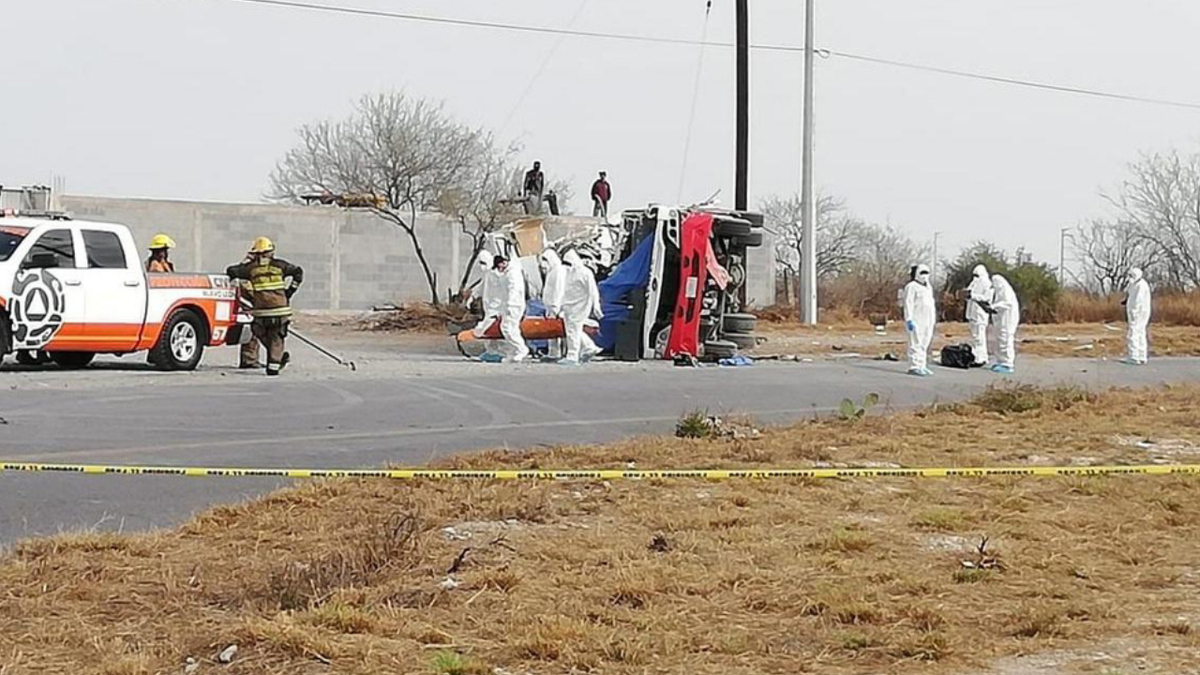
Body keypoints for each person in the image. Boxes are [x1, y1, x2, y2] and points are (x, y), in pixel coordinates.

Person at [225, 237, 304, 376]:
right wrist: (289, 292)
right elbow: (298, 272)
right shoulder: (280, 266)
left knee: (259, 332)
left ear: (256, 253)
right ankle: (274, 364)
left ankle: (276, 358)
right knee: (276, 338)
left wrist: (246, 260)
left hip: (262, 312)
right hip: (280, 310)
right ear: (271, 252)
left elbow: (231, 271)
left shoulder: (251, 268)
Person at [560, 249, 603, 365]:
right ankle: (589, 347)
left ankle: (572, 355)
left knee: (573, 329)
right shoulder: (567, 272)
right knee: (573, 329)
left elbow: (593, 291)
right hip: (568, 305)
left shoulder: (585, 273)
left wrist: (596, 306)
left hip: (580, 305)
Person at [493, 254, 529, 363]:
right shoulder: (507, 273)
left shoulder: (513, 273)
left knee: (508, 328)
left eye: (499, 266)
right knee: (509, 328)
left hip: (514, 305)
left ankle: (521, 349)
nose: (499, 269)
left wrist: (510, 304)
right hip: (508, 305)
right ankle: (513, 352)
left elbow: (514, 290)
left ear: (504, 263)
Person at [902, 264, 936, 376]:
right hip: (916, 319)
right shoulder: (911, 286)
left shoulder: (928, 287)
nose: (924, 275)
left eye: (927, 273)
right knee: (915, 342)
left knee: (924, 342)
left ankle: (922, 365)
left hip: (928, 319)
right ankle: (914, 366)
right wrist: (909, 319)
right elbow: (908, 303)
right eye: (922, 273)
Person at [473, 250, 504, 361]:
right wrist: (473, 296)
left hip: (497, 308)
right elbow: (481, 287)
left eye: (484, 263)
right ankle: (491, 352)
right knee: (489, 329)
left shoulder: (498, 274)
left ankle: (500, 352)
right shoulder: (488, 275)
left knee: (496, 329)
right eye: (480, 263)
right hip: (489, 307)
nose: (482, 266)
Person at [539, 248, 568, 359]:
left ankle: (560, 353)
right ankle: (554, 353)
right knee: (553, 332)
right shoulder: (552, 271)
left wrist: (555, 306)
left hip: (556, 306)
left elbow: (558, 290)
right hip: (550, 306)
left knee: (558, 330)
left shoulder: (558, 271)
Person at [989, 273, 1020, 374]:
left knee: (1006, 339)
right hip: (1002, 319)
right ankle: (1001, 361)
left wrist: (994, 306)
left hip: (1008, 319)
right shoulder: (1000, 292)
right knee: (1000, 339)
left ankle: (1008, 364)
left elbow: (1007, 303)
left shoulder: (1006, 291)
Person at [964, 264, 993, 367]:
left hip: (980, 314)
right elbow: (968, 293)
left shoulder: (987, 284)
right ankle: (980, 356)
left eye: (977, 275)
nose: (975, 277)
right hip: (972, 313)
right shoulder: (974, 283)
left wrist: (973, 296)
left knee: (979, 337)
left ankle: (980, 358)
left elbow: (987, 298)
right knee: (975, 337)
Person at [1124, 267, 1151, 365]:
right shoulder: (1134, 284)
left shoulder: (1141, 285)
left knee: (1133, 332)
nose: (1129, 277)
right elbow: (1129, 293)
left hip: (1138, 312)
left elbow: (1138, 300)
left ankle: (1134, 356)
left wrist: (1134, 312)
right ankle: (1142, 356)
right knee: (1140, 332)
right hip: (1138, 312)